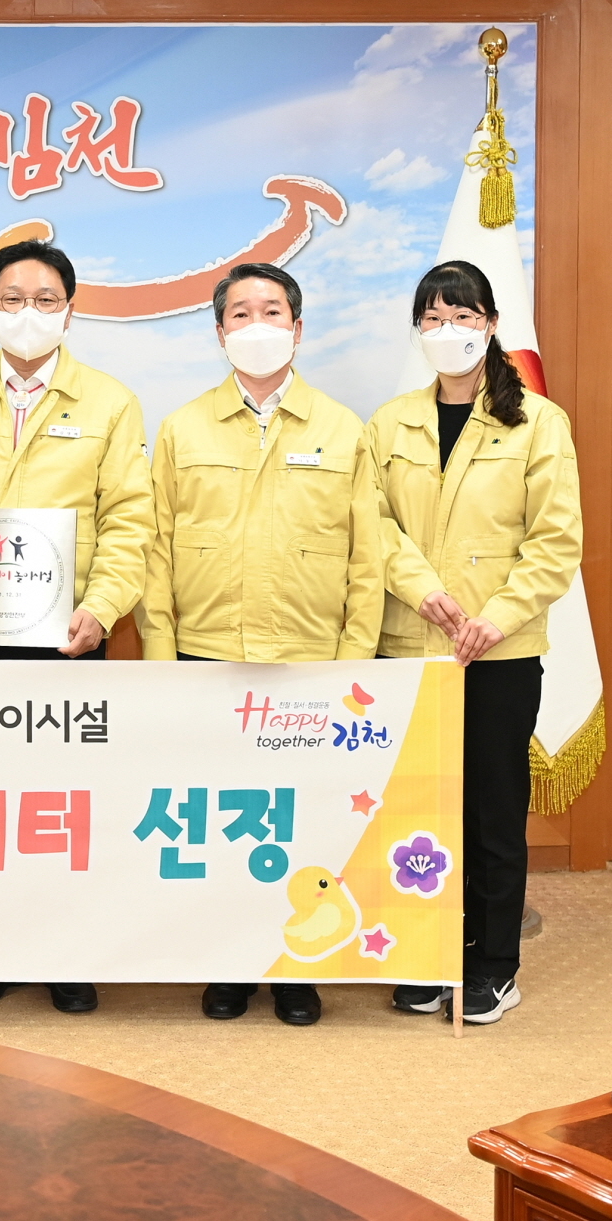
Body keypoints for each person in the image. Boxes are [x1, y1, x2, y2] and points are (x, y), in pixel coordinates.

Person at [0, 238, 154, 1017]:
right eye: (12, 299)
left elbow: (129, 521)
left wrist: (103, 607)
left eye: (45, 300)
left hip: (69, 635)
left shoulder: (110, 402)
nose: (28, 313)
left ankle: (67, 954)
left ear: (70, 312)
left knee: (65, 804)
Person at [137, 260, 382, 1028]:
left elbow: (368, 559)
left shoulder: (342, 429)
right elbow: (154, 551)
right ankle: (228, 963)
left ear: (297, 328)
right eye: (240, 314)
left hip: (310, 665)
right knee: (222, 819)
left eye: (271, 311)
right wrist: (162, 662)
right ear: (220, 333)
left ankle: (297, 970)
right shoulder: (182, 428)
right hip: (209, 657)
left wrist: (351, 670)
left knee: (304, 823)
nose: (256, 325)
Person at [367, 260, 582, 1027]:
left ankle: (493, 964)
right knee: (416, 811)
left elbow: (555, 542)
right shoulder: (390, 423)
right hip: (410, 644)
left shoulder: (538, 422)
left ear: (490, 325)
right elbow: (373, 523)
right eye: (433, 317)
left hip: (500, 651)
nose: (447, 330)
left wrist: (498, 616)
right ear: (417, 330)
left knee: (492, 812)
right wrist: (421, 587)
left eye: (462, 316)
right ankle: (427, 954)